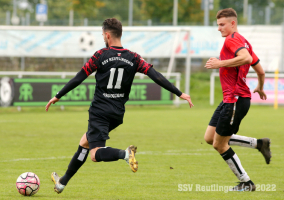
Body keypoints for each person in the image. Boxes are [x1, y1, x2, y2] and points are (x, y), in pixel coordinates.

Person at [45, 18, 194, 194]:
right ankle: (62, 183)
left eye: (102, 35)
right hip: (117, 113)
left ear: (107, 35)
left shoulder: (100, 55)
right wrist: (179, 93)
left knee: (94, 154)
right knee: (85, 142)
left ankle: (124, 154)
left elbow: (79, 77)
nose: (103, 37)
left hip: (99, 111)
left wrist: (58, 96)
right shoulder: (134, 57)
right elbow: (156, 76)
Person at [204, 8, 271, 191]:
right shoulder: (245, 42)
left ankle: (246, 183)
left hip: (235, 99)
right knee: (210, 137)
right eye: (218, 25)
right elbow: (260, 70)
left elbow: (246, 58)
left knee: (219, 144)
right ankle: (258, 143)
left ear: (233, 23)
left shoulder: (233, 39)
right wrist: (260, 86)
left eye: (222, 24)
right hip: (231, 99)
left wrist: (219, 63)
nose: (219, 28)